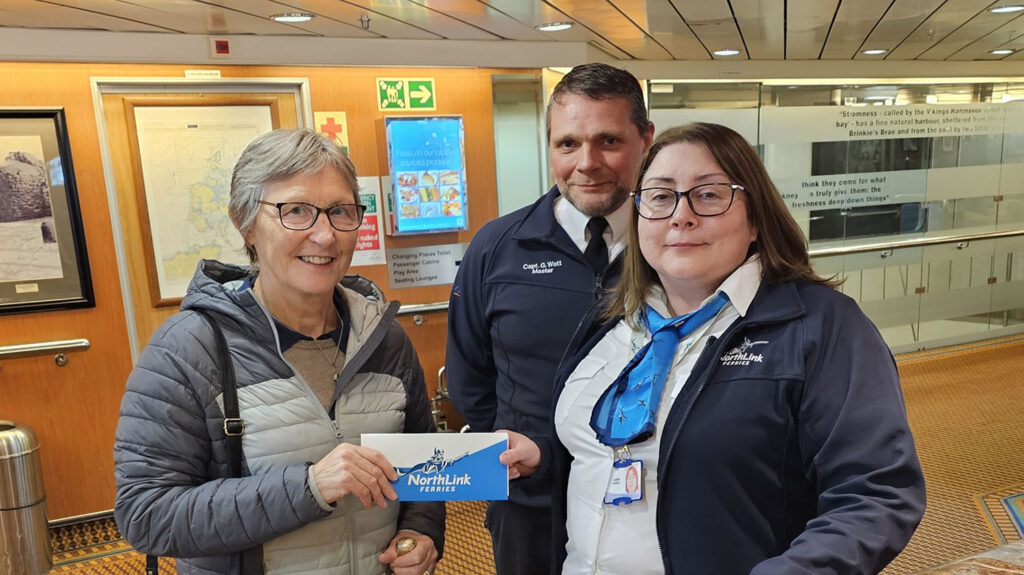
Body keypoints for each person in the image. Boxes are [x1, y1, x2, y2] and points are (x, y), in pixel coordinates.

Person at [503, 122, 926, 574]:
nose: (680, 216)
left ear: (756, 218)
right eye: (661, 196)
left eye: (708, 195)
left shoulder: (821, 327)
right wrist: (545, 455)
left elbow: (878, 492)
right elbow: (625, 449)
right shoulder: (613, 319)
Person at [113, 128, 444, 575]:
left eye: (341, 212)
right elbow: (146, 514)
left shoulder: (385, 339)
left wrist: (421, 533)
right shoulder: (188, 350)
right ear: (245, 222)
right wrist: (308, 487)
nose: (325, 236)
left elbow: (422, 466)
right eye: (296, 211)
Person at [445, 62, 654, 575]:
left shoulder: (675, 245)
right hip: (530, 506)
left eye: (608, 140)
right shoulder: (497, 247)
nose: (587, 163)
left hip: (646, 502)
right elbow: (470, 377)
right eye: (567, 145)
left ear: (645, 139)